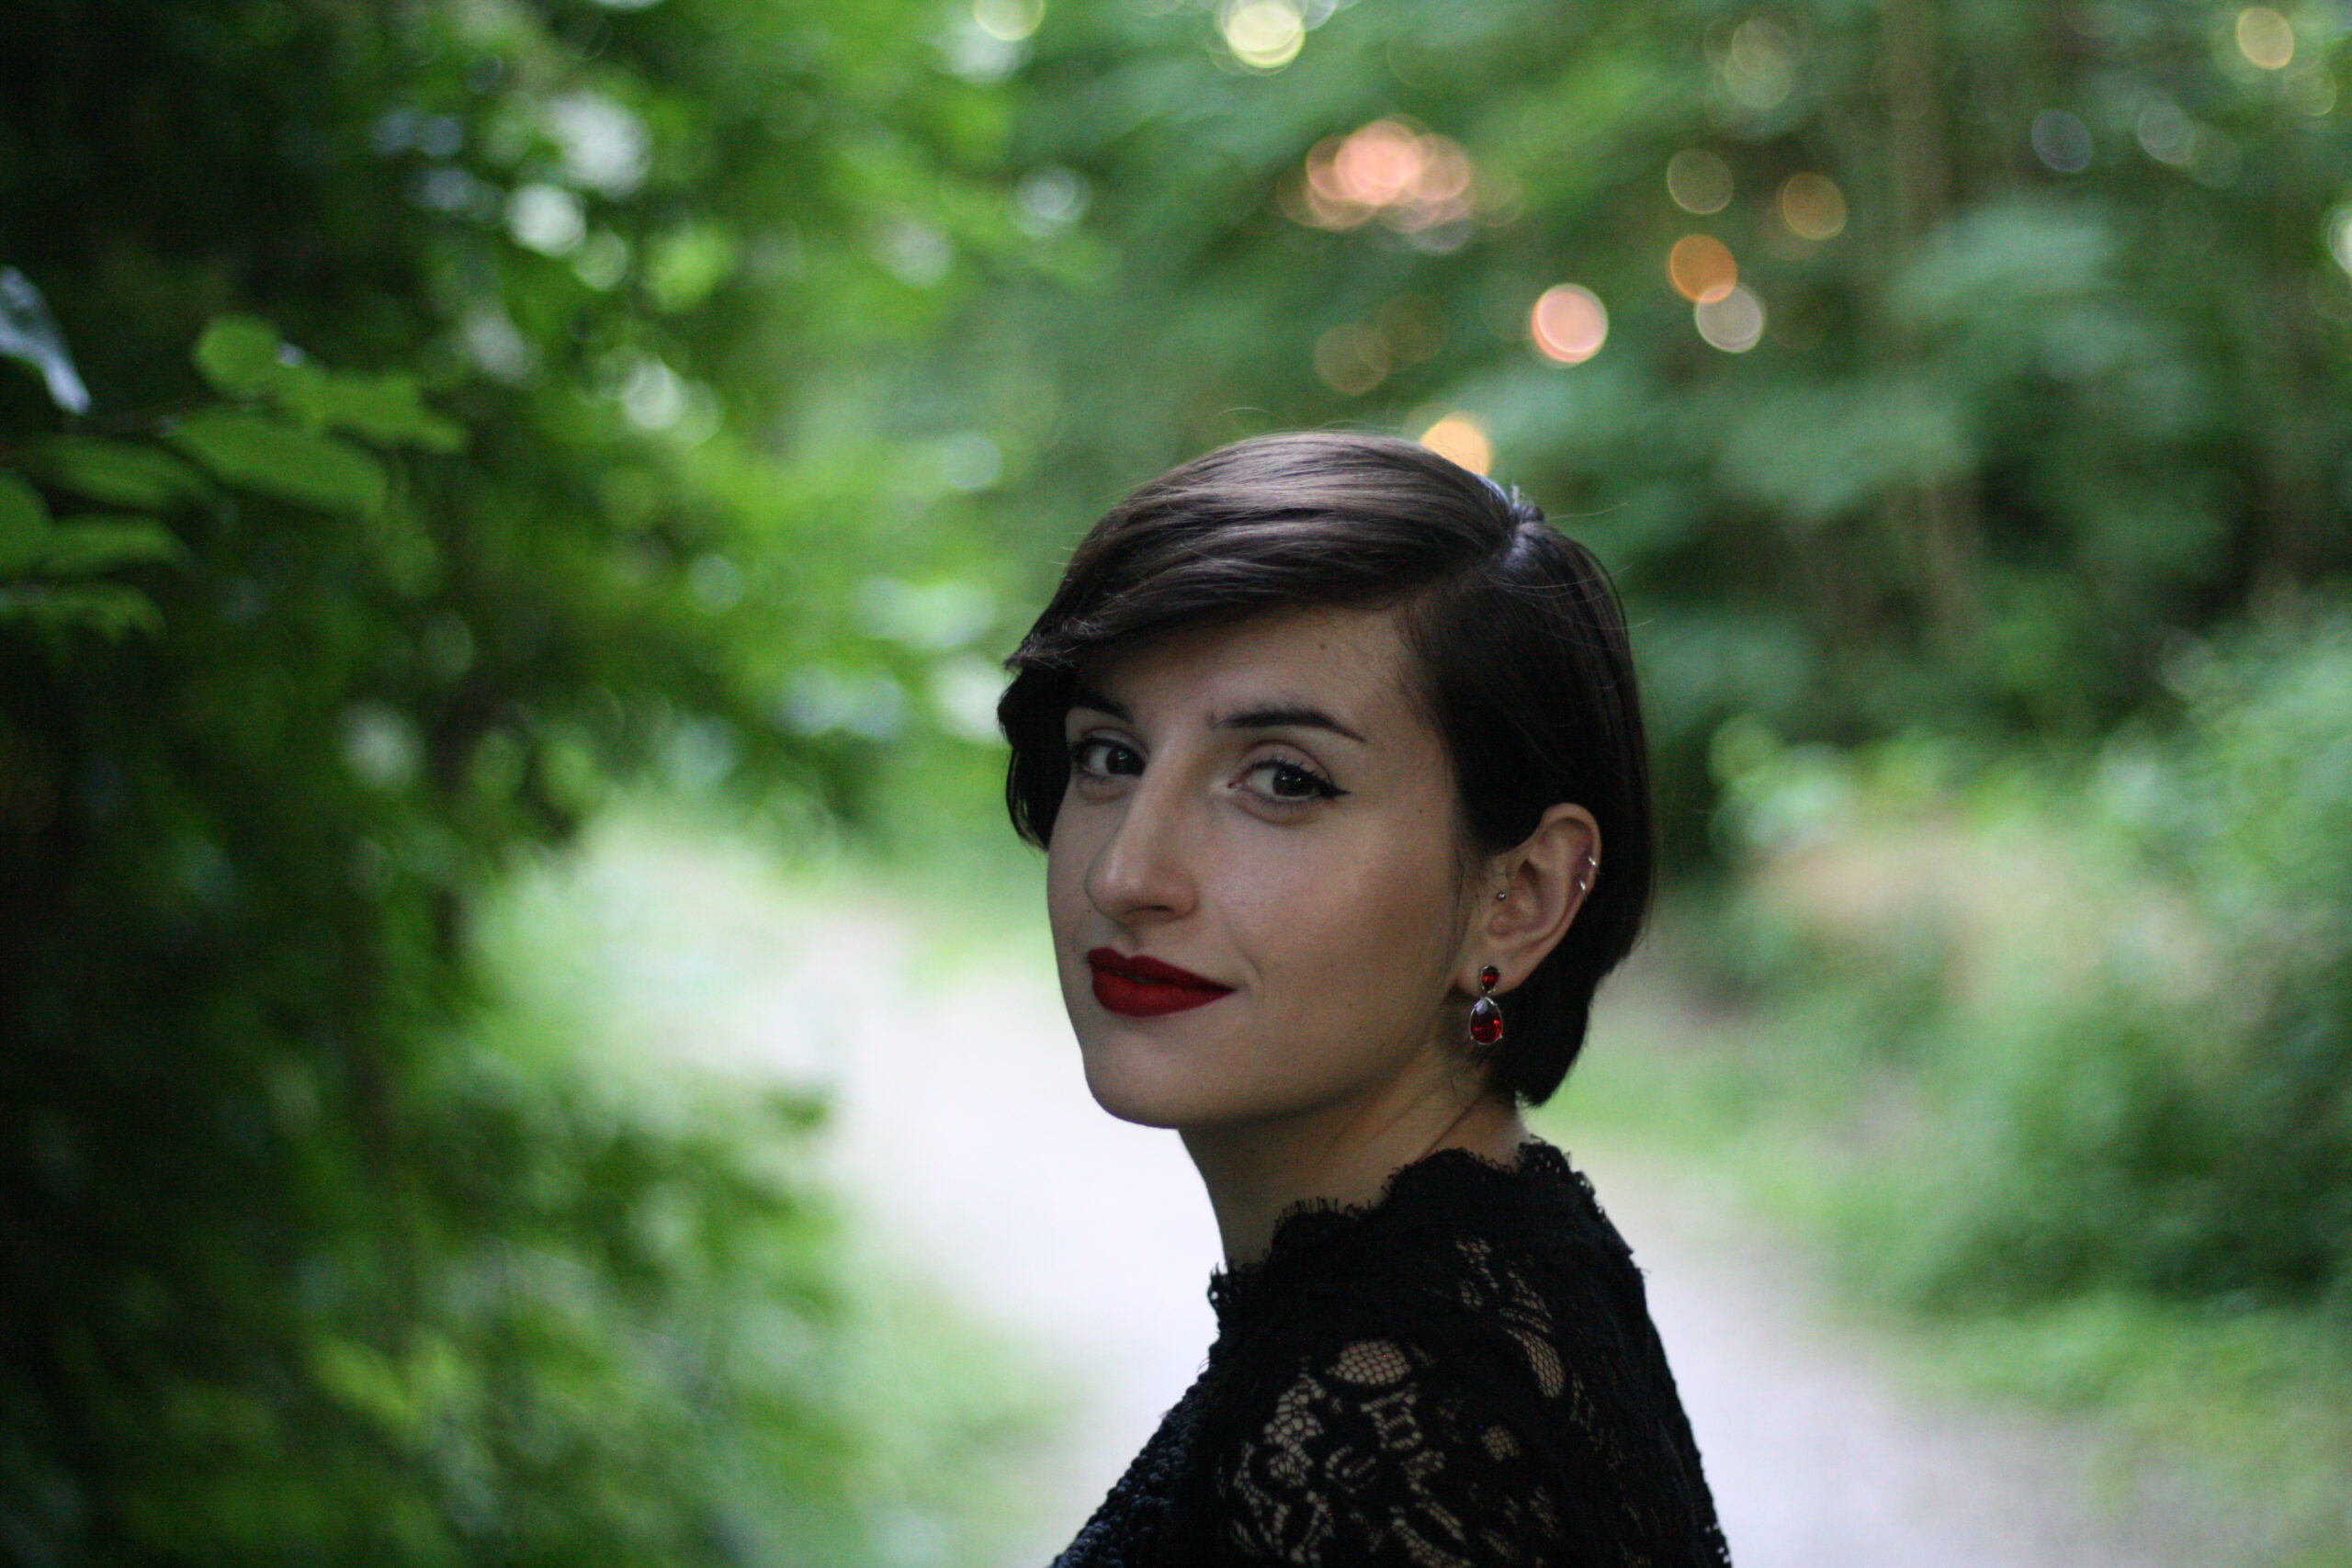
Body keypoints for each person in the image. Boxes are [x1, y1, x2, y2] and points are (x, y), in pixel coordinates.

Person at [996, 430, 1732, 1567]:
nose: (1124, 875)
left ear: (1518, 898)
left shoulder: (1385, 1434)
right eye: (1110, 756)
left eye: (1283, 780)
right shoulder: (1485, 1281)